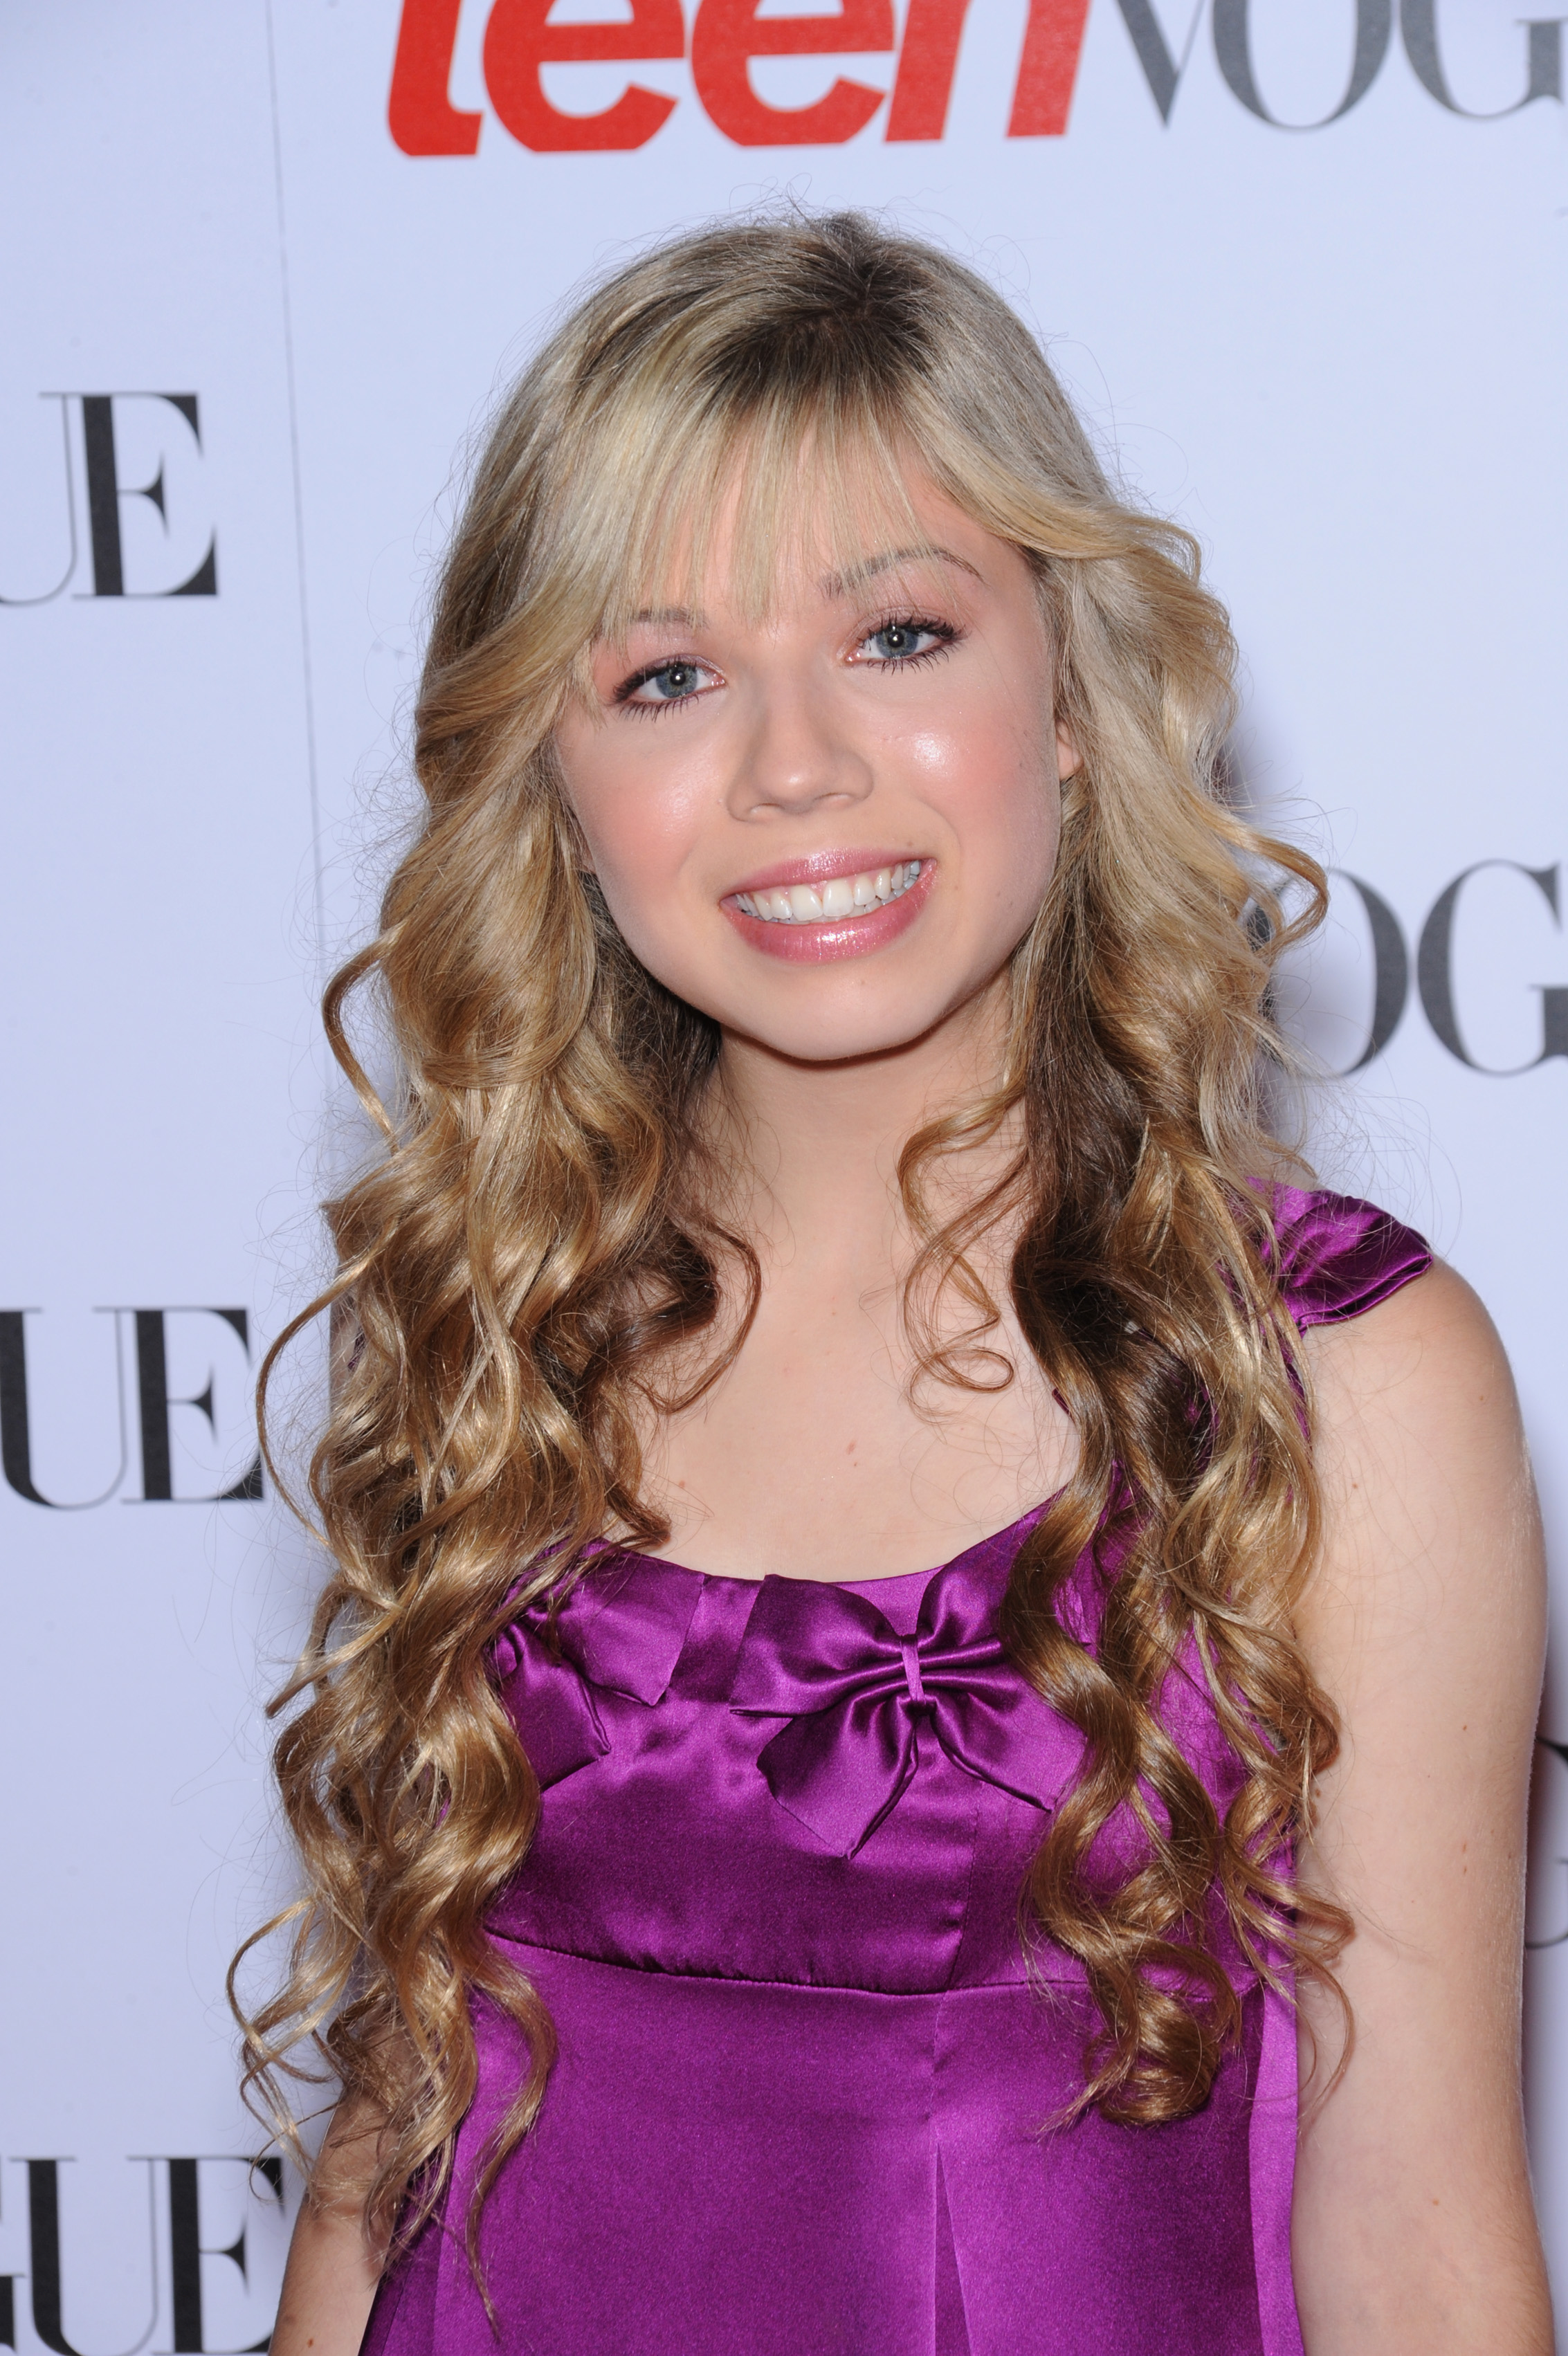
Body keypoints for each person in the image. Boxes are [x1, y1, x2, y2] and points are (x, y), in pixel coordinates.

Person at [239, 214, 1551, 2356]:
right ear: (556, 786)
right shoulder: (497, 1326)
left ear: (1070, 697)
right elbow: (392, 2150)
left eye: (900, 635)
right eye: (666, 677)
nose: (793, 766)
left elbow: (1414, 2249)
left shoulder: (1333, 1385)